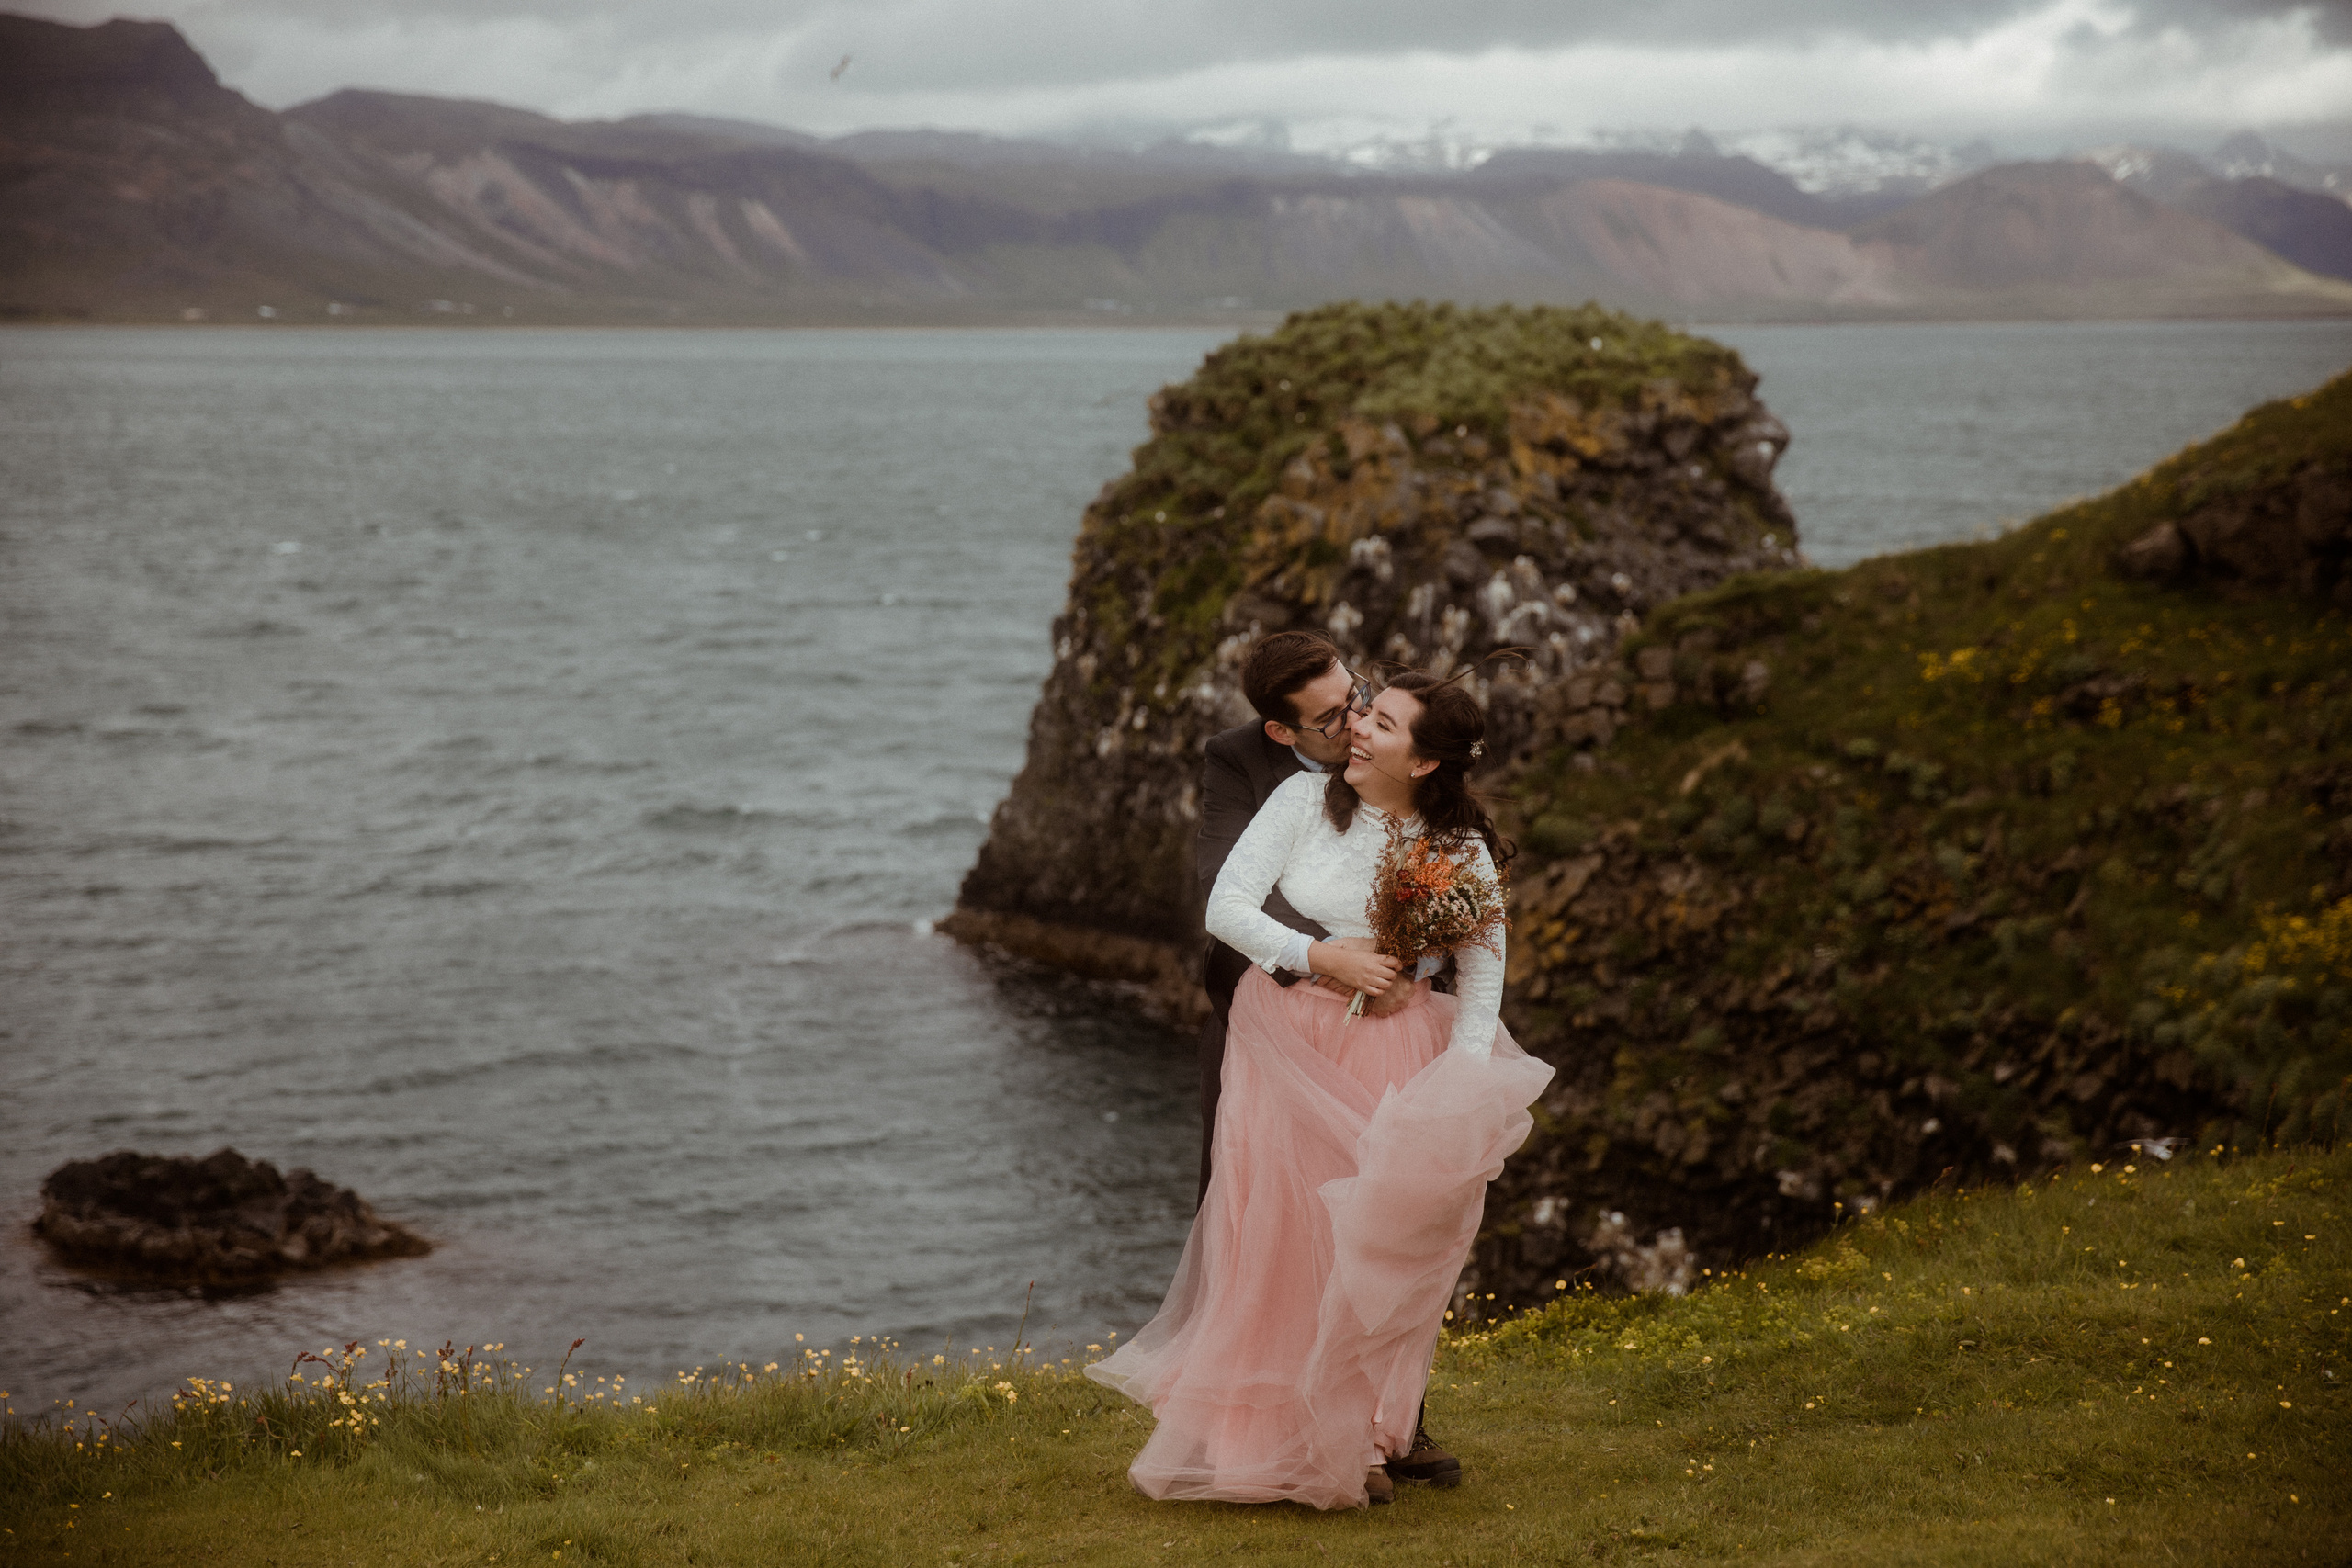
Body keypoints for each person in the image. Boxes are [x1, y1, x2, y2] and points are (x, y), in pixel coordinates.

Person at [1087, 670, 1555, 1511]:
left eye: (1381, 722)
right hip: (1290, 1043)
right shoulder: (1302, 802)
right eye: (1364, 713)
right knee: (1286, 1236)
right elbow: (1227, 907)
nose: (1357, 729)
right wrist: (1320, 955)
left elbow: (1482, 977)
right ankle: (1275, 1438)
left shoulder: (1458, 848)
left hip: (1402, 1051)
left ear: (1423, 762)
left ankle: (1364, 1434)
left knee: (1373, 1249)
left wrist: (1460, 1088)